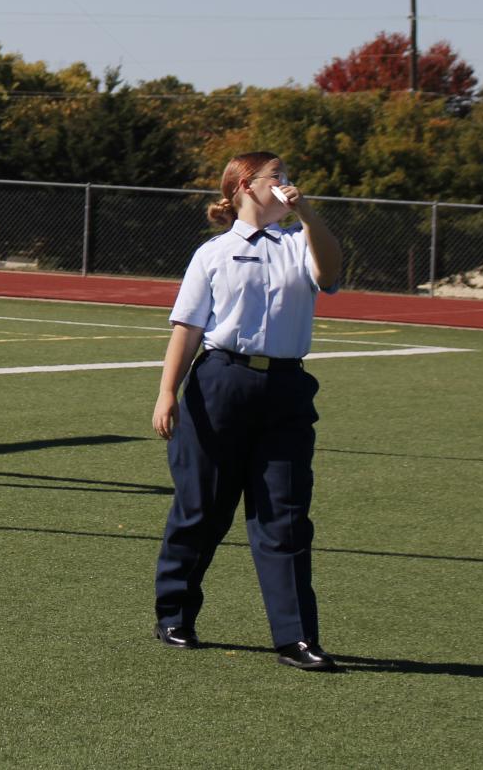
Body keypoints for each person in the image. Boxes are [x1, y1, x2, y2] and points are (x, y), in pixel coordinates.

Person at [149, 151, 344, 672]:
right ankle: (174, 615)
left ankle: (297, 638)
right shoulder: (212, 253)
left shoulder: (300, 242)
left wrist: (309, 214)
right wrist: (167, 393)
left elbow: (331, 274)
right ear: (243, 187)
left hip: (285, 387)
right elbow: (187, 327)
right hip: (219, 383)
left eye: (286, 175)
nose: (286, 183)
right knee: (201, 508)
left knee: (284, 517)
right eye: (275, 177)